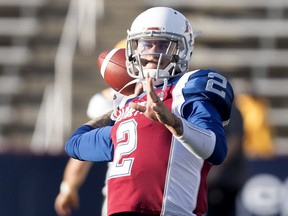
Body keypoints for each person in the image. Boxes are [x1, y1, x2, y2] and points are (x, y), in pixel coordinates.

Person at [65, 7, 234, 216]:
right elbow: (75, 144)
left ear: (182, 49)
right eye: (146, 44)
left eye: (164, 44)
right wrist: (118, 111)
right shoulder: (127, 108)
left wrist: (172, 121)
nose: (153, 52)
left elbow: (216, 150)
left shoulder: (188, 88)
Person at [54, 39, 126, 216]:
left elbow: (83, 153)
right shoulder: (171, 95)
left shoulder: (105, 102)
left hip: (120, 196)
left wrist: (68, 188)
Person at [207, 103, 245, 216]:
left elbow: (234, 140)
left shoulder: (229, 108)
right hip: (213, 178)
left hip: (224, 179)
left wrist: (216, 167)